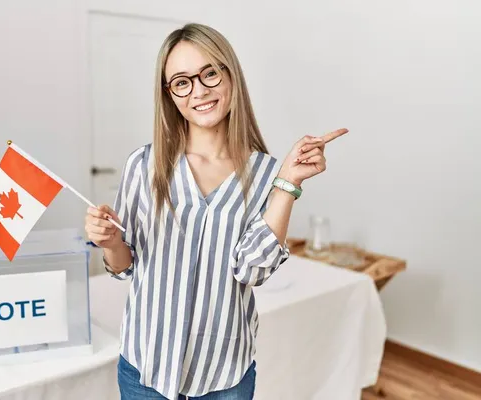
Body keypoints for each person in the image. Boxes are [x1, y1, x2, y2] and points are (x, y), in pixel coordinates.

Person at [84, 22, 348, 400]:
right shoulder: (144, 165)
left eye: (209, 73)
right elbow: (124, 266)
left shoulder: (266, 174)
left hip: (224, 374)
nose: (199, 91)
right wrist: (110, 242)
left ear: (230, 75)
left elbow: (252, 269)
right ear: (169, 94)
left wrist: (289, 183)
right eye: (182, 82)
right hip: (146, 368)